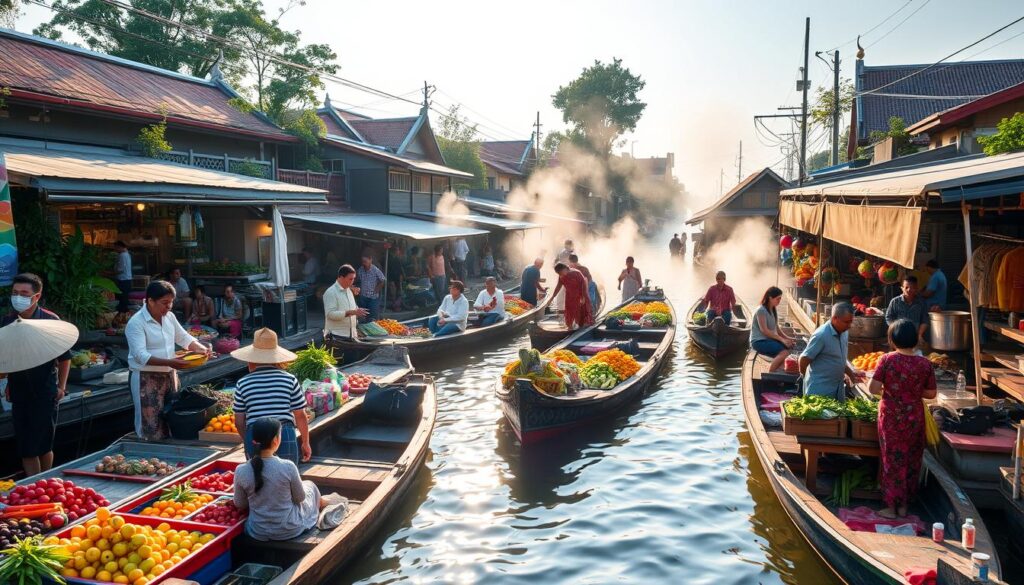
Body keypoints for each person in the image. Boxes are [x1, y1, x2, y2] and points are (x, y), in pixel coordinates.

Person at [0, 273, 71, 476]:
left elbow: (65, 357)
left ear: (36, 296)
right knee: (25, 444)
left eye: (24, 293)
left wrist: (62, 387)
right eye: (15, 293)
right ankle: (32, 484)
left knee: (43, 443)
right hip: (18, 389)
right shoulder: (8, 321)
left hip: (45, 388)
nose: (18, 297)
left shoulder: (50, 320)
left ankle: (45, 481)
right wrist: (6, 382)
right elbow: (6, 358)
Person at [869, 319, 937, 519]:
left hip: (891, 417)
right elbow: (932, 393)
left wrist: (889, 389)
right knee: (911, 459)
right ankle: (904, 507)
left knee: (892, 459)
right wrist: (912, 391)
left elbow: (873, 389)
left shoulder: (887, 360)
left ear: (892, 339)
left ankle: (891, 507)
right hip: (914, 417)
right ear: (915, 340)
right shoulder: (925, 363)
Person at [125, 281, 210, 440]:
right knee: (150, 425)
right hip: (146, 377)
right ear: (150, 301)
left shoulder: (169, 317)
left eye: (171, 302)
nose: (169, 306)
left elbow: (183, 337)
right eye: (165, 303)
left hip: (170, 375)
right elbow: (140, 356)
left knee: (173, 418)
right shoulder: (136, 323)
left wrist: (200, 348)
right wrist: (170, 362)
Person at [233, 418, 325, 542]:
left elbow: (240, 504)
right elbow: (300, 498)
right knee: (310, 486)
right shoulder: (288, 466)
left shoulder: (241, 470)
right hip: (289, 529)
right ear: (276, 440)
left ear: (253, 441)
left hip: (257, 531)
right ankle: (322, 502)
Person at [230, 328, 311, 465]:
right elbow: (300, 415)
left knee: (258, 480)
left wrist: (248, 441)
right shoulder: (290, 379)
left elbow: (239, 422)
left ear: (251, 359)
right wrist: (305, 442)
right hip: (283, 433)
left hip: (255, 434)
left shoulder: (242, 383)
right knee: (286, 479)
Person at [799, 302, 864, 399]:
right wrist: (805, 378)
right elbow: (803, 359)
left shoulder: (844, 332)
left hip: (837, 389)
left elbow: (839, 359)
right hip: (819, 391)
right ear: (835, 319)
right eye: (846, 322)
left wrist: (851, 376)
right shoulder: (821, 335)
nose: (849, 326)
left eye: (851, 322)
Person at [750, 286, 797, 372]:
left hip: (768, 340)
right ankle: (770, 372)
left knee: (789, 347)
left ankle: (780, 369)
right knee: (784, 353)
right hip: (759, 341)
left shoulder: (773, 309)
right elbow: (764, 331)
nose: (779, 301)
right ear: (770, 298)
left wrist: (788, 338)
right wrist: (782, 340)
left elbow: (777, 329)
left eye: (780, 299)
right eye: (778, 299)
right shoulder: (761, 310)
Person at [323, 265, 367, 340]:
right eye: (350, 279)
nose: (353, 281)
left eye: (354, 279)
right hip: (336, 336)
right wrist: (352, 312)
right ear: (341, 277)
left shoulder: (349, 290)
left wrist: (358, 312)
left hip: (351, 335)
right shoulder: (331, 292)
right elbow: (330, 314)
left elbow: (353, 308)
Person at [885, 276, 929, 341]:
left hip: (915, 337)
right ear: (902, 288)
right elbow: (889, 317)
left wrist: (919, 335)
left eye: (912, 288)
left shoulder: (921, 303)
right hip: (898, 337)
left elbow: (925, 321)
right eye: (906, 287)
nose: (909, 290)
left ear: (916, 289)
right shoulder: (895, 301)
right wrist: (895, 329)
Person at [551, 262, 594, 330]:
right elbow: (558, 286)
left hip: (580, 295)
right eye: (559, 274)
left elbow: (583, 284)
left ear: (565, 268)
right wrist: (552, 297)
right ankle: (570, 327)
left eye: (560, 272)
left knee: (582, 312)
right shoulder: (561, 276)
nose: (560, 274)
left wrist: (583, 297)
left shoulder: (576, 273)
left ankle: (582, 328)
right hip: (569, 297)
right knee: (569, 313)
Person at [355, 255, 386, 322]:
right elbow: (357, 279)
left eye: (365, 262)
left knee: (372, 317)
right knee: (362, 316)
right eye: (362, 262)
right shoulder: (361, 269)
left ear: (370, 260)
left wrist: (377, 289)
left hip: (373, 297)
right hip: (363, 296)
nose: (364, 263)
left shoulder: (375, 270)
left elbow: (382, 280)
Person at [113, 241, 132, 313]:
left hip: (123, 280)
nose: (115, 250)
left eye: (116, 248)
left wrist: (110, 273)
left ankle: (121, 315)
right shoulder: (127, 254)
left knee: (122, 300)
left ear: (119, 247)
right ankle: (123, 315)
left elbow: (120, 270)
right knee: (124, 299)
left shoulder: (122, 255)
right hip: (126, 280)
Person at [387, 246, 407, 311]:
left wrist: (402, 276)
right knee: (393, 292)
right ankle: (394, 306)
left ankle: (398, 305)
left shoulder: (397, 258)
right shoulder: (389, 258)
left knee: (399, 291)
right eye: (397, 250)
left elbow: (400, 268)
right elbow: (389, 269)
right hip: (391, 277)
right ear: (395, 251)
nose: (398, 252)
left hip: (397, 277)